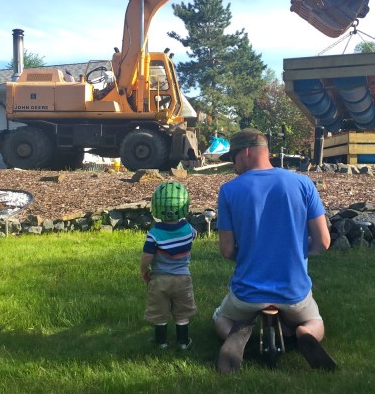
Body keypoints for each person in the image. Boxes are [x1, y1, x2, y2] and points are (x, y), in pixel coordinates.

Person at [213, 128, 336, 374]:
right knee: (315, 320)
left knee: (220, 318)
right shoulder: (303, 183)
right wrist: (298, 250)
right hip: (294, 292)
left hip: (248, 294)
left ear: (247, 152)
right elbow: (323, 241)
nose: (233, 166)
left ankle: (239, 333)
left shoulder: (229, 190)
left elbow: (226, 250)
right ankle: (305, 333)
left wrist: (250, 254)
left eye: (233, 158)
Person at [141, 181, 197, 350]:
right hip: (183, 278)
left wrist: (144, 271)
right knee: (182, 313)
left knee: (159, 312)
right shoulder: (188, 229)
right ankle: (183, 342)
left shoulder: (154, 234)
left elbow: (147, 256)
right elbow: (194, 235)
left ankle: (161, 343)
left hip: (160, 280)